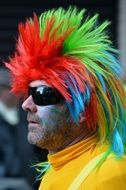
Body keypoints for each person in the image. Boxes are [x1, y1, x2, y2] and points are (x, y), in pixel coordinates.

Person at [5, 7, 126, 190]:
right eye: (29, 92)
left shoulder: (107, 175)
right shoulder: (56, 167)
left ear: (84, 109)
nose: (26, 105)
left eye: (42, 94)